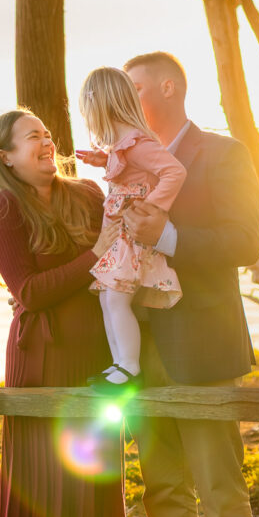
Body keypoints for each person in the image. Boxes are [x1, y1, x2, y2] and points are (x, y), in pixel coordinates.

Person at [100, 51, 259, 517]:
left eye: (134, 88)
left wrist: (165, 236)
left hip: (201, 345)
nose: (124, 100)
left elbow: (245, 242)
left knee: (221, 487)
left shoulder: (223, 154)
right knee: (161, 485)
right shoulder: (120, 161)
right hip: (139, 351)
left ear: (168, 87)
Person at [0, 109, 128, 517]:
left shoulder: (86, 193)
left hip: (94, 359)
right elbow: (31, 291)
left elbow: (126, 242)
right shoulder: (5, 207)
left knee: (85, 478)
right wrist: (94, 258)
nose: (44, 141)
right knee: (43, 481)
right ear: (6, 157)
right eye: (30, 137)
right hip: (40, 360)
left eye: (45, 133)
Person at [76, 67, 187, 388]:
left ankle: (128, 367)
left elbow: (173, 172)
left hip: (133, 235)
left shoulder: (138, 144)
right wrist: (103, 160)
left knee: (115, 298)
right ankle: (119, 364)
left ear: (101, 107)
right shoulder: (126, 146)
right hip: (122, 235)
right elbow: (130, 167)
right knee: (108, 298)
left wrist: (153, 207)